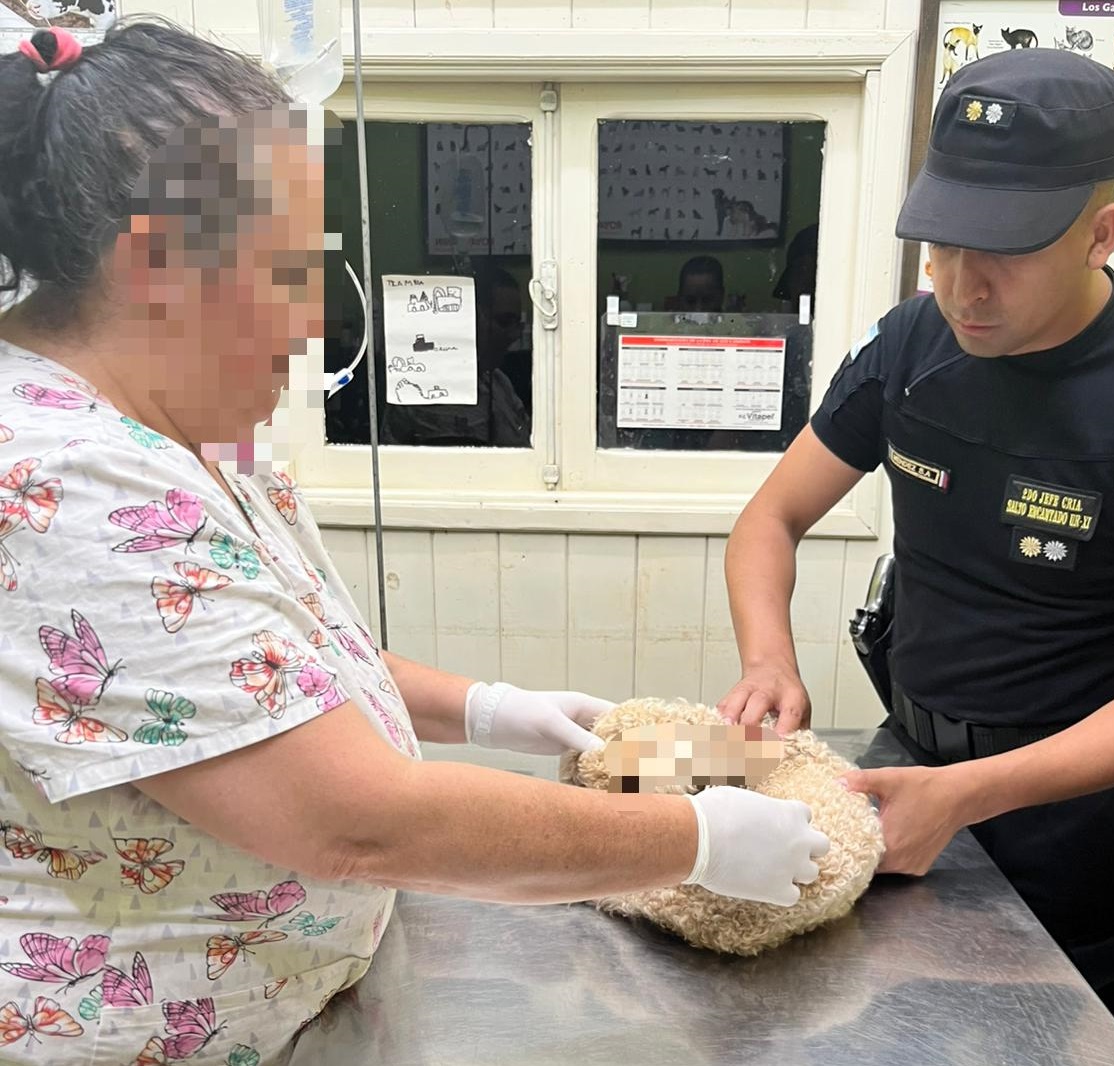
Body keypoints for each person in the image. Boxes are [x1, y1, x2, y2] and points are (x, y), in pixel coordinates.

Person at [0, 21, 830, 1064]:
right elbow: (357, 821)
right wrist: (696, 842)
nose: (317, 324)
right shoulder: (54, 478)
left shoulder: (189, 431)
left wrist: (488, 708)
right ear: (161, 264)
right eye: (290, 271)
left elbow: (277, 660)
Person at [718, 48, 1114, 1034]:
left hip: (1067, 832)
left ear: (1101, 234)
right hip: (907, 768)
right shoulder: (910, 345)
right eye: (940, 245)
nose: (962, 287)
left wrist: (969, 794)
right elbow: (769, 518)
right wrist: (770, 659)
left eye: (1005, 251)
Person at [385, 261, 532, 447]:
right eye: (504, 322)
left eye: (517, 324)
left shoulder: (499, 383)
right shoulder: (426, 392)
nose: (514, 335)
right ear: (473, 319)